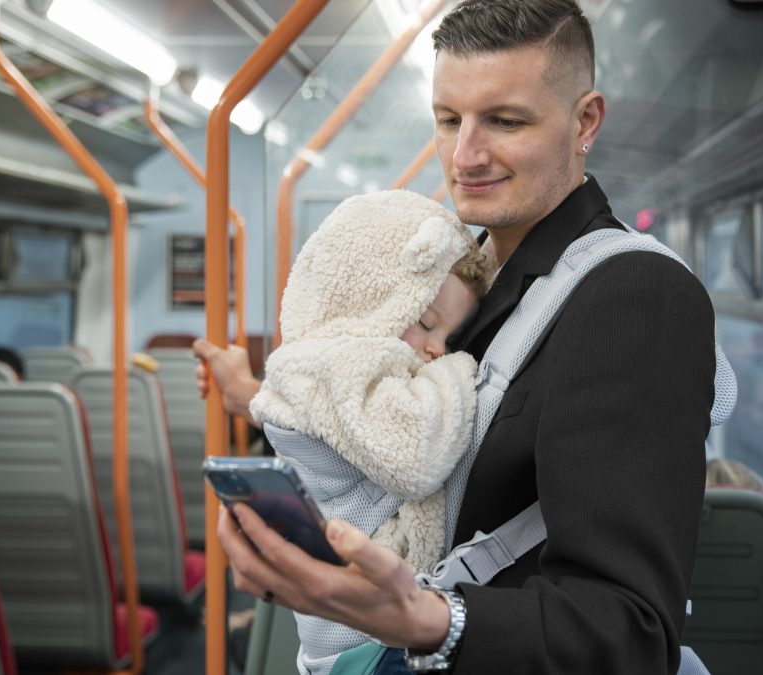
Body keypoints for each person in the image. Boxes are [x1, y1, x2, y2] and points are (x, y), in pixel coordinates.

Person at [200, 2, 717, 672]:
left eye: (504, 121)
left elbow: (631, 630)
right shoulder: (458, 281)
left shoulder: (632, 295)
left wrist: (429, 620)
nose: (464, 155)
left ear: (585, 120)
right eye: (449, 120)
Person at [246, 188, 490, 673]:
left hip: (349, 627)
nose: (437, 350)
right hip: (366, 636)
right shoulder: (334, 366)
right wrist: (463, 369)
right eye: (424, 322)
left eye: (450, 339)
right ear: (369, 298)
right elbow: (416, 454)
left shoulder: (320, 365)